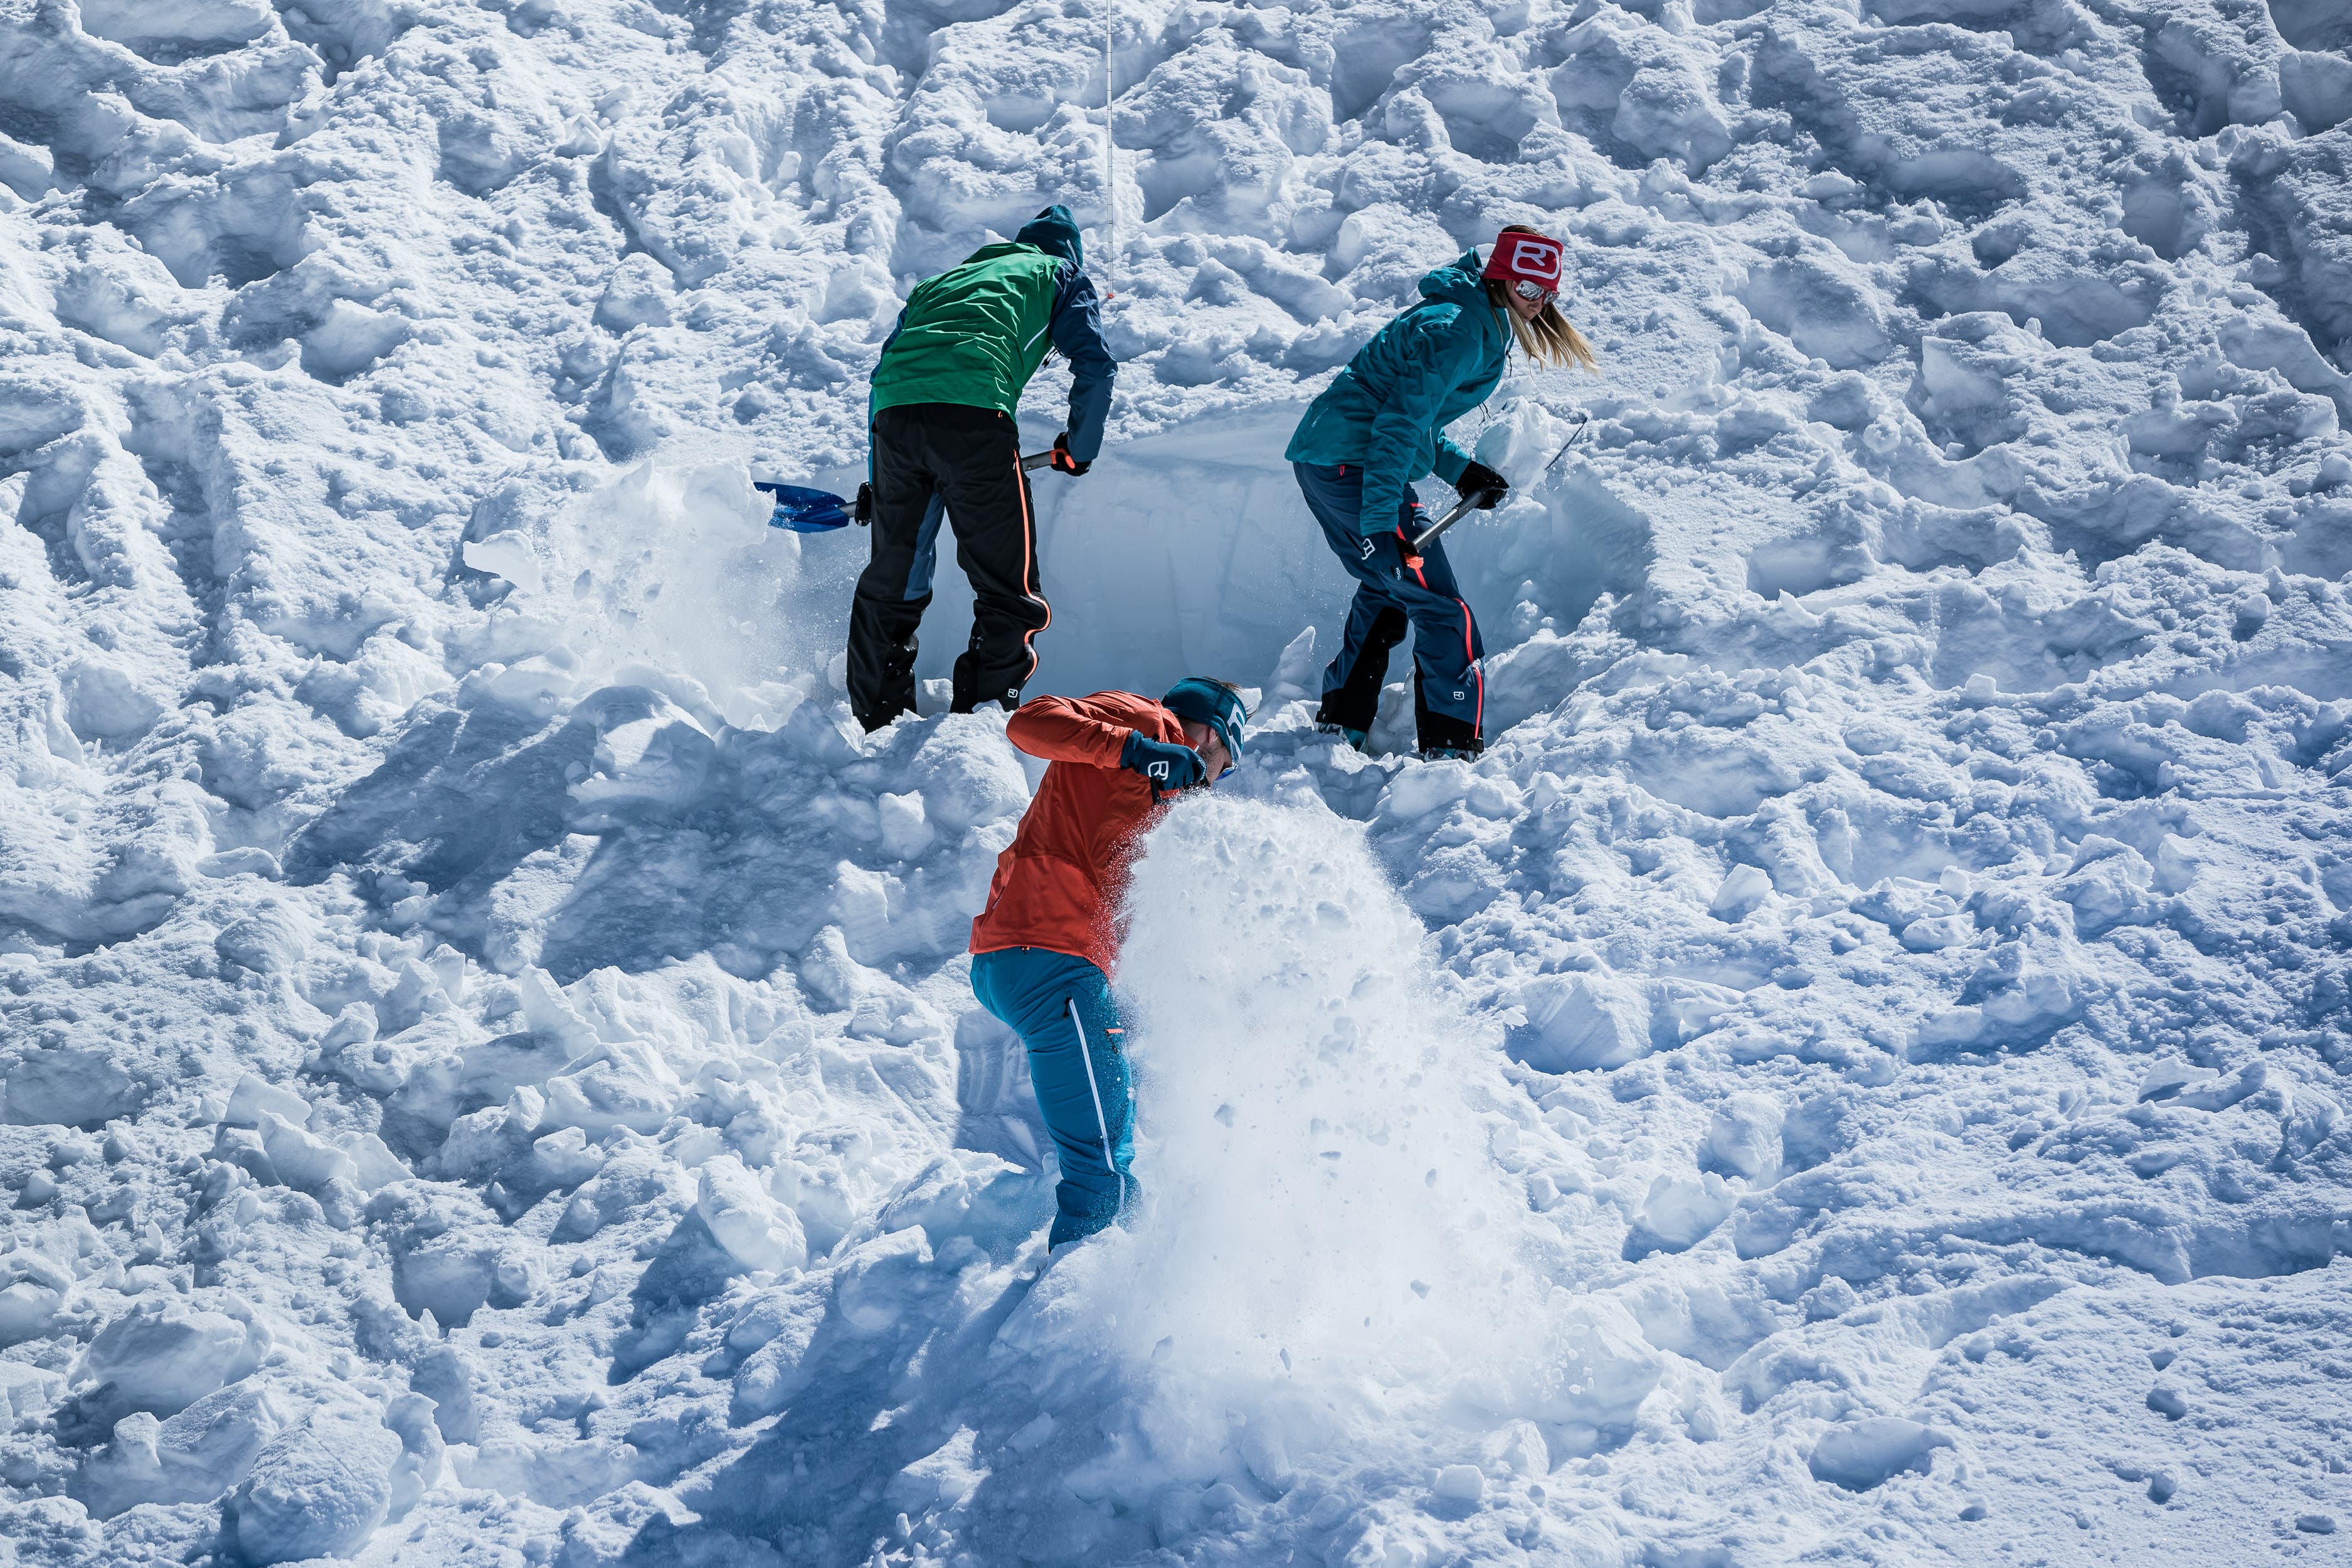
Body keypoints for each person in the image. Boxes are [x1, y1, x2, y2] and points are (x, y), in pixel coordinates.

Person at [1284, 225, 1596, 760]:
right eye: (1527, 289)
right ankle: (1450, 746)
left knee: (1390, 588)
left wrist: (1461, 471)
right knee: (1442, 608)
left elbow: (1415, 419)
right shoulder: (1456, 328)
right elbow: (1397, 425)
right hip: (1350, 467)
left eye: (1548, 293)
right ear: (1501, 278)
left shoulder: (1477, 318)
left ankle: (1344, 722)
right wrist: (1381, 521)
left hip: (1334, 461)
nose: (1538, 302)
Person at [968, 677, 1249, 1249]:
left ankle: (1129, 1263)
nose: (1216, 786)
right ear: (1215, 740)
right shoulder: (1144, 722)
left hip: (1051, 963)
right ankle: (1074, 1307)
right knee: (1102, 1178)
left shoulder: (1167, 797)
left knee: (1122, 1116)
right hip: (1049, 957)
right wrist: (1139, 750)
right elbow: (1028, 723)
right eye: (1226, 768)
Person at [845, 205, 1117, 731]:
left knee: (892, 583)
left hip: (897, 422)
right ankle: (982, 726)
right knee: (1008, 590)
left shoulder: (942, 283)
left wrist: (882, 480)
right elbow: (1095, 363)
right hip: (975, 418)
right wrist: (1080, 449)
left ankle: (876, 721)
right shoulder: (1059, 273)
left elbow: (887, 374)